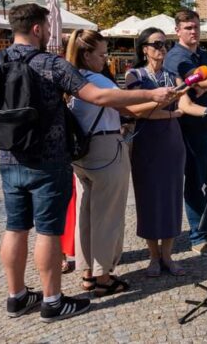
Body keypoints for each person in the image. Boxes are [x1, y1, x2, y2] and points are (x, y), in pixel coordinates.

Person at [0, 4, 177, 322]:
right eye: (47, 26)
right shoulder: (51, 64)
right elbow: (100, 97)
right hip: (48, 161)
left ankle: (17, 296)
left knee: (15, 227)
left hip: (10, 159)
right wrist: (154, 96)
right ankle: (52, 300)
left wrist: (8, 136)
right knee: (48, 231)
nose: (50, 32)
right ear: (37, 28)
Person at [124, 27, 207, 277]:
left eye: (165, 44)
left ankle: (168, 255)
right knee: (148, 198)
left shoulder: (172, 75)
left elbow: (186, 103)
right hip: (146, 143)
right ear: (144, 49)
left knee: (172, 197)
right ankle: (153, 256)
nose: (162, 49)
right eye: (157, 44)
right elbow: (137, 110)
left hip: (171, 141)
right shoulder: (133, 75)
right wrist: (170, 111)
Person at [65, 29, 135, 296]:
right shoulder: (98, 81)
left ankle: (87, 272)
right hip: (106, 148)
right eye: (102, 54)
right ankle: (103, 276)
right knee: (108, 216)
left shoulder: (71, 78)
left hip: (82, 153)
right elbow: (127, 106)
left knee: (86, 214)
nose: (105, 60)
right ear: (86, 54)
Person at [163, 9, 207, 257]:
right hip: (192, 128)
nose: (194, 32)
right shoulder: (175, 57)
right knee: (195, 181)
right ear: (178, 31)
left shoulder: (204, 54)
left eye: (196, 27)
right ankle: (198, 235)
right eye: (188, 28)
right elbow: (192, 88)